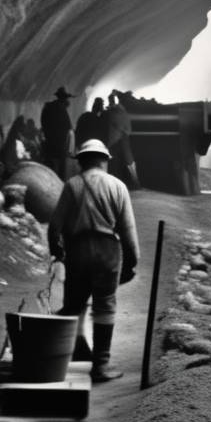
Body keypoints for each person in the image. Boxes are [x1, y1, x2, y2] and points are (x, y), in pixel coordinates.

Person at [47, 139, 141, 381]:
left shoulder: (72, 185)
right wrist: (131, 262)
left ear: (81, 162)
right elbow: (128, 230)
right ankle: (100, 365)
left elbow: (54, 227)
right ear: (104, 161)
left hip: (77, 250)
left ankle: (72, 351)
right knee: (105, 304)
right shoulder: (117, 186)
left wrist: (58, 255)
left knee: (74, 302)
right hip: (107, 251)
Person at [105, 92, 138, 189]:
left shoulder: (116, 112)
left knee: (125, 161)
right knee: (127, 161)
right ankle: (134, 182)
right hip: (119, 138)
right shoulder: (120, 112)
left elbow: (122, 126)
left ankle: (133, 182)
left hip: (119, 139)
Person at [41, 86, 75, 179]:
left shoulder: (48, 107)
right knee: (60, 169)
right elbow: (68, 127)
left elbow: (43, 124)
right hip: (60, 144)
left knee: (50, 167)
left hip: (49, 143)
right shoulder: (61, 109)